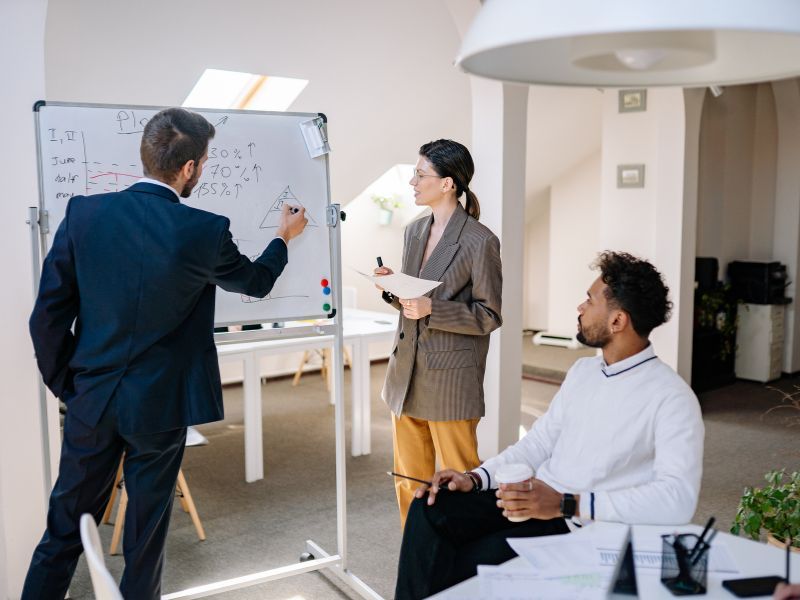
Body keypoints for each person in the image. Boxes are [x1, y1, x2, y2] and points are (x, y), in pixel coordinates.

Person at [22, 107, 308, 600]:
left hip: (93, 398)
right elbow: (256, 284)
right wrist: (283, 237)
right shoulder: (203, 230)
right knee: (146, 538)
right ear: (190, 167)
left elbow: (46, 317)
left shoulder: (84, 214)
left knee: (63, 533)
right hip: (160, 406)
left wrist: (70, 384)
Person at [394, 251, 705, 599]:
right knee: (430, 507)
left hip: (577, 522)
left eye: (589, 300)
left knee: (464, 563)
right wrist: (476, 478)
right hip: (536, 498)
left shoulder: (672, 397)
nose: (580, 307)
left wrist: (566, 503)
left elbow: (678, 498)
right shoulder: (583, 372)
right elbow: (538, 443)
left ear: (618, 321)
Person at [374, 139, 503, 528]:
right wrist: (393, 288)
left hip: (450, 380)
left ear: (447, 183)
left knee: (461, 480)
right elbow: (413, 301)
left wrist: (435, 308)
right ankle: (418, 555)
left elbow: (489, 315)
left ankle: (465, 563)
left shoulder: (480, 241)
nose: (412, 181)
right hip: (406, 375)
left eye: (420, 174)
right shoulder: (414, 232)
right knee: (408, 482)